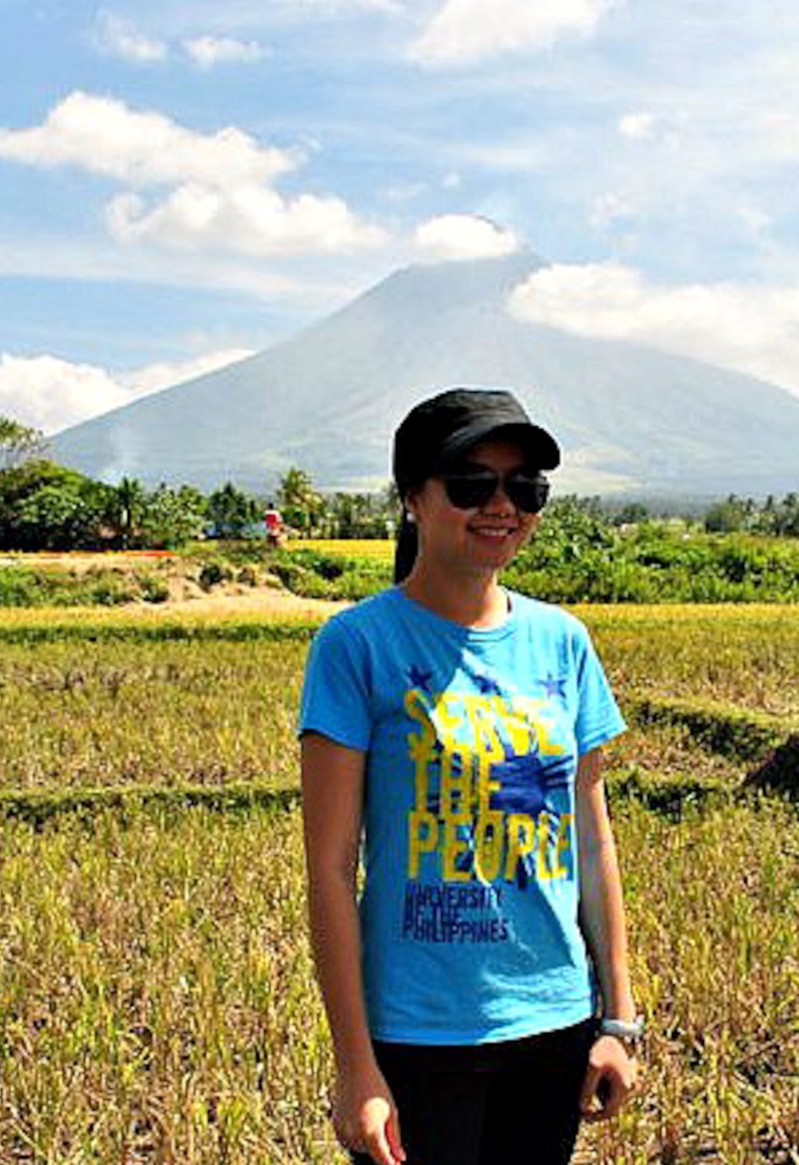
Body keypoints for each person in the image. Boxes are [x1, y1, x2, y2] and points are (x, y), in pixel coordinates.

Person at [298, 388, 641, 1165]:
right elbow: (329, 868)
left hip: (554, 1023)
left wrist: (618, 1018)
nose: (502, 505)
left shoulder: (563, 640)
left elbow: (592, 841)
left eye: (524, 487)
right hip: (416, 1032)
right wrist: (356, 1064)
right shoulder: (356, 646)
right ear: (412, 496)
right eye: (471, 482)